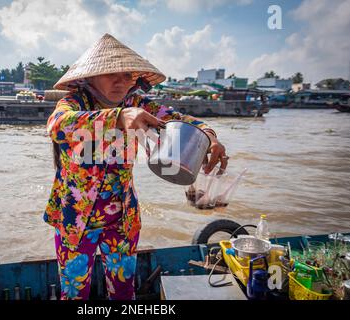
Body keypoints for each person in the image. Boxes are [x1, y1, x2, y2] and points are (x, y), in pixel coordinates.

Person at [44, 33, 228, 300]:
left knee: (123, 291)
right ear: (91, 77)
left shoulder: (137, 104)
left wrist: (210, 138)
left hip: (122, 217)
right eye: (112, 74)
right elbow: (57, 125)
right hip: (75, 218)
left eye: (127, 76)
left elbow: (180, 120)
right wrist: (118, 117)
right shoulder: (76, 102)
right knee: (74, 293)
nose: (121, 82)